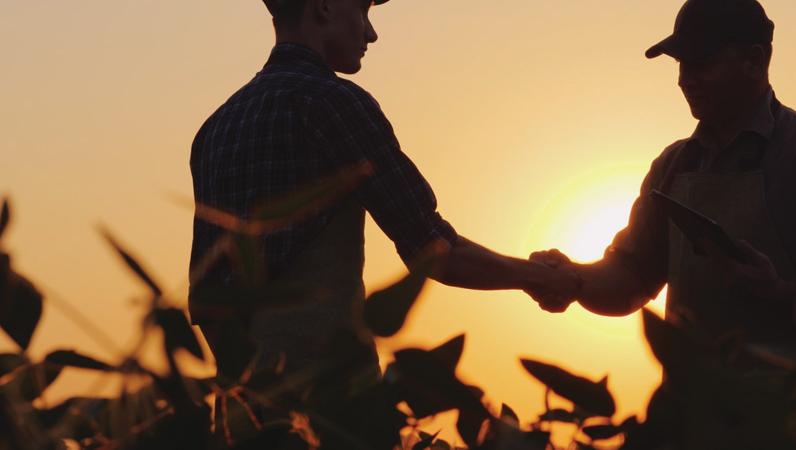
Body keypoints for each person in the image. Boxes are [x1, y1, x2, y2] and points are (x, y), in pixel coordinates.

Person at [188, 0, 576, 380]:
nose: (371, 33)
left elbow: (204, 297)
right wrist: (540, 278)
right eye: (363, 10)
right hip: (330, 408)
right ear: (324, 7)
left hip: (240, 419)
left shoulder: (214, 129)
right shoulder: (333, 103)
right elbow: (434, 251)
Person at [530, 0, 796, 347]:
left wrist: (782, 293)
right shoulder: (672, 166)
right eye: (680, 64)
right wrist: (572, 278)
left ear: (755, 60)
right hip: (692, 406)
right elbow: (630, 282)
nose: (684, 80)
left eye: (701, 63)